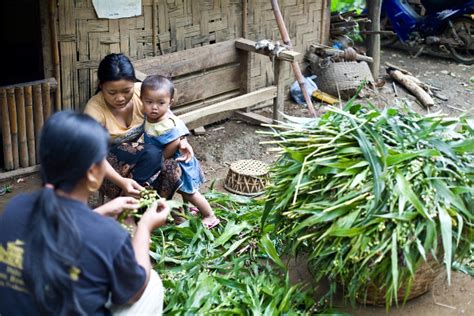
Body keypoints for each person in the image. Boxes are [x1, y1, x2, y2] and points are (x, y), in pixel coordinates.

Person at [0, 112, 170, 315]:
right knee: (152, 285)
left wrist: (99, 213)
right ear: (92, 173)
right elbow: (135, 291)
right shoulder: (109, 235)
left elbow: (61, 229)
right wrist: (144, 228)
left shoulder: (15, 208)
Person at [83, 53, 194, 200]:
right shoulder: (94, 110)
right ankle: (129, 205)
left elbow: (167, 115)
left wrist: (183, 139)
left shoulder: (141, 93)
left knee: (170, 165)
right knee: (153, 154)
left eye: (126, 90)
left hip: (138, 157)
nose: (120, 98)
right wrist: (122, 182)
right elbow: (92, 155)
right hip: (105, 165)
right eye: (112, 92)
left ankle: (161, 206)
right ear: (101, 86)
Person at [141, 75, 220, 229]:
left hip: (180, 163)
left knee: (189, 192)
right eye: (149, 102)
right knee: (181, 191)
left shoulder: (167, 123)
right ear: (141, 99)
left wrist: (159, 160)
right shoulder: (151, 116)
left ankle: (210, 215)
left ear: (170, 103)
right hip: (169, 161)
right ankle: (181, 214)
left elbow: (174, 144)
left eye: (161, 103)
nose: (154, 107)